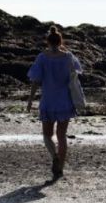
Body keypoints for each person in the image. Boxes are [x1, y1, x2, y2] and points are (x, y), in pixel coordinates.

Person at [26, 26, 82, 180]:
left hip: (48, 101)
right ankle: (60, 168)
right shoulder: (68, 56)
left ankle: (54, 156)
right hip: (65, 101)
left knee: (47, 135)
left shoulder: (42, 57)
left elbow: (36, 81)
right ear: (60, 41)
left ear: (47, 41)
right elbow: (76, 73)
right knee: (62, 136)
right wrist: (63, 49)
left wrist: (30, 100)